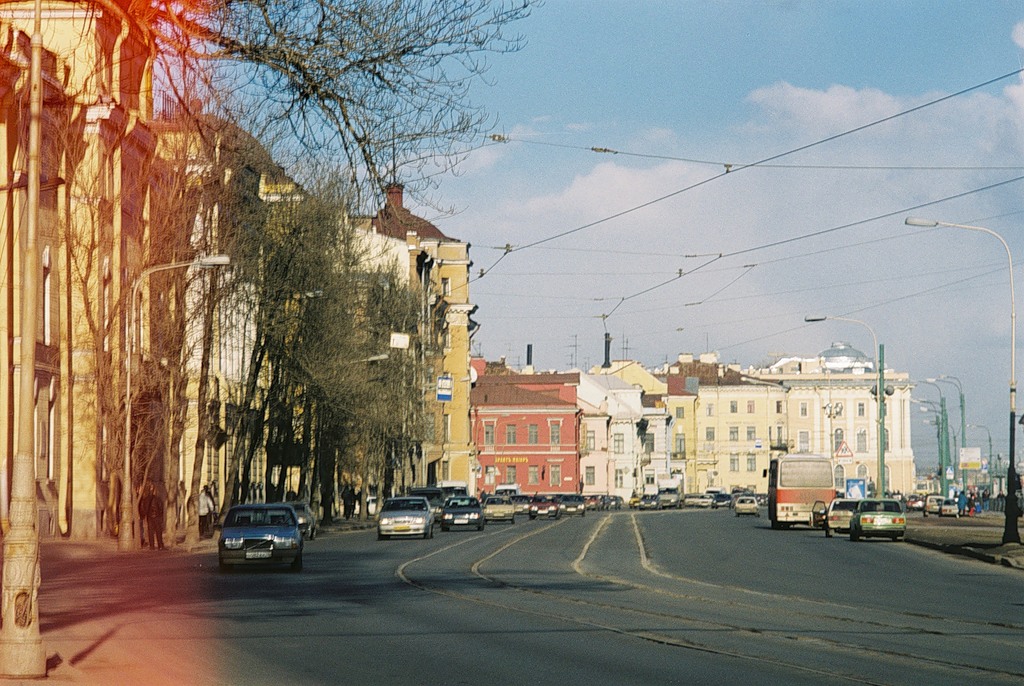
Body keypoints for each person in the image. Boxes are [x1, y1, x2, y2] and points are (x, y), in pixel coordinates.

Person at [143, 482, 165, 550]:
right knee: (158, 532)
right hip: (157, 517)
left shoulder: (146, 499)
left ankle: (152, 546)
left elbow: (144, 508)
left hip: (149, 517)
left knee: (151, 532)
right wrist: (160, 516)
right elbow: (161, 508)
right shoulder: (157, 499)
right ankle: (160, 545)